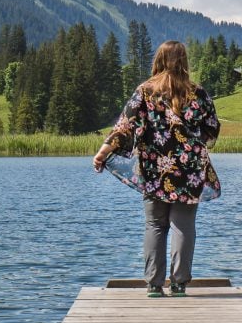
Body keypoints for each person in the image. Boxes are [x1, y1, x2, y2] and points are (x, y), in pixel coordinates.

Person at [93, 40, 221, 298]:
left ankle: (153, 284)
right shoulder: (198, 93)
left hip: (154, 167)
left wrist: (104, 151)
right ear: (184, 61)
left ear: (159, 60)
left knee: (155, 224)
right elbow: (212, 127)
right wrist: (193, 143)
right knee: (183, 226)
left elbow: (125, 126)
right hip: (189, 168)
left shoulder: (145, 91)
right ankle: (179, 283)